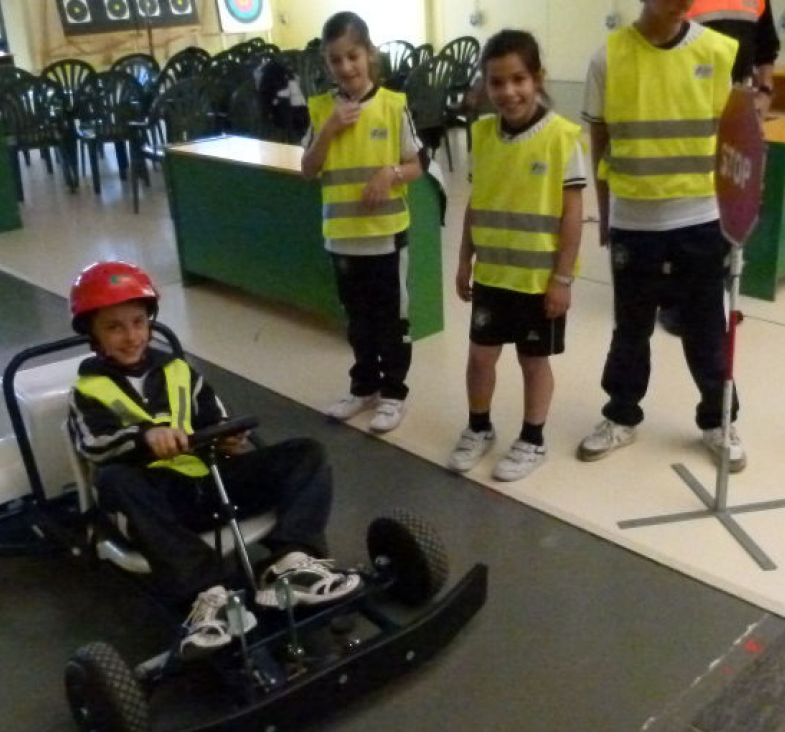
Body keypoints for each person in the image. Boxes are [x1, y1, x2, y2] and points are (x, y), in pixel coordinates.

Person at [65, 261, 361, 659]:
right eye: (114, 327)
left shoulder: (179, 371)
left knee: (305, 453)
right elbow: (93, 445)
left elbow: (215, 419)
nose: (131, 336)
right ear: (93, 335)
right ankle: (207, 593)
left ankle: (291, 560)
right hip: (156, 503)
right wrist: (144, 437)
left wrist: (229, 438)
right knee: (115, 480)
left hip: (208, 482)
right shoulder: (88, 390)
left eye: (137, 322)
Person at [578, 0, 747, 471]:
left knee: (706, 328)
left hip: (701, 218)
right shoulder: (607, 58)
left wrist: (737, 218)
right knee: (630, 328)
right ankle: (621, 415)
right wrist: (606, 209)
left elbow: (739, 142)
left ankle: (718, 420)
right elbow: (600, 139)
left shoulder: (719, 53)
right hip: (636, 221)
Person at [446, 29, 586, 482]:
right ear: (486, 86)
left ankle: (532, 438)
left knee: (532, 361)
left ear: (538, 78)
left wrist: (562, 280)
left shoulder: (563, 138)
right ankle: (479, 427)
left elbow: (572, 216)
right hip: (493, 274)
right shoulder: (483, 134)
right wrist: (465, 259)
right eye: (497, 82)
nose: (509, 92)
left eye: (519, 79)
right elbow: (476, 201)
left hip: (538, 282)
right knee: (480, 357)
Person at [301, 11, 426, 434]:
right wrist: (330, 130)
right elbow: (308, 168)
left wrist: (388, 173)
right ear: (327, 65)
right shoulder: (321, 110)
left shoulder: (393, 105)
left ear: (369, 54)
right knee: (357, 320)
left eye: (353, 56)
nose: (347, 68)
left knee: (391, 318)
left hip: (386, 237)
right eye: (336, 60)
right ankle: (363, 387)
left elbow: (417, 164)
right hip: (342, 238)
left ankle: (393, 393)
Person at [657, 0, 782, 336]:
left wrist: (765, 93)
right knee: (685, 199)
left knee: (733, 198)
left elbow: (767, 49)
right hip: (686, 106)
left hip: (738, 106)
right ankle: (673, 300)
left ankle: (719, 292)